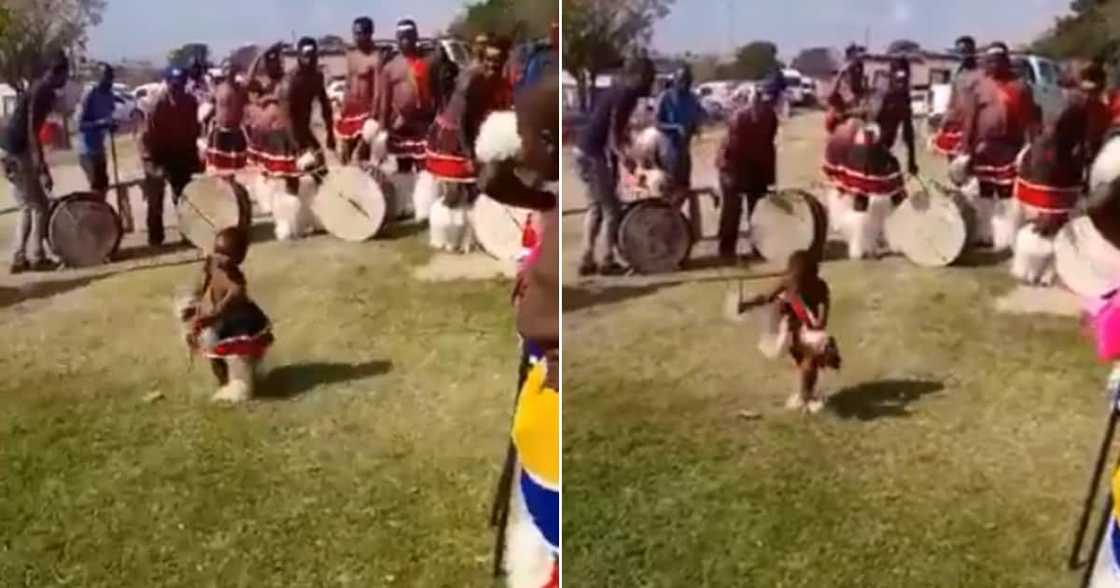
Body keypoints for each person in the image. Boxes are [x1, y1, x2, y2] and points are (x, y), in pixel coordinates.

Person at [476, 68, 559, 588]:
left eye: (524, 133)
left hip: (557, 371)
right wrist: (508, 148)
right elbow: (491, 181)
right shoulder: (552, 196)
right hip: (541, 359)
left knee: (551, 494)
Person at [575, 55, 655, 276]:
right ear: (638, 76)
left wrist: (625, 150)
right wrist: (625, 159)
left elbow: (617, 130)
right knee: (611, 210)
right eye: (648, 77)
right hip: (592, 154)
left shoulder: (616, 90)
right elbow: (612, 132)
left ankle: (587, 257)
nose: (650, 82)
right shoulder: (626, 94)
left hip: (584, 150)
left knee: (596, 208)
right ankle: (606, 260)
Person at [181, 226, 273, 403]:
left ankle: (241, 384)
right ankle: (224, 382)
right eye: (218, 253)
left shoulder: (237, 284)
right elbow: (205, 286)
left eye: (227, 257)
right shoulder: (211, 264)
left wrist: (208, 318)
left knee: (236, 356)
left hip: (238, 322)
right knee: (214, 354)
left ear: (238, 259)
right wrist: (196, 307)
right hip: (218, 318)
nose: (220, 260)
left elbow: (223, 309)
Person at [960, 41, 1039, 246]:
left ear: (1006, 62)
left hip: (1011, 147)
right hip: (984, 148)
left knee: (1006, 194)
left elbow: (1031, 120)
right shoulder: (978, 86)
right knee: (985, 192)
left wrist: (1030, 148)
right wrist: (965, 150)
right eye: (990, 61)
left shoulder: (1020, 87)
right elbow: (970, 120)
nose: (994, 65)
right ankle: (984, 234)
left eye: (998, 61)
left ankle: (1005, 237)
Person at [742, 250, 841, 414]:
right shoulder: (788, 282)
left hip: (810, 330)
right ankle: (806, 395)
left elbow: (824, 309)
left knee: (810, 361)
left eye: (801, 277)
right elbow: (767, 298)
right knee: (805, 362)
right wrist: (747, 304)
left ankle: (806, 396)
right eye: (795, 276)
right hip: (790, 329)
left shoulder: (819, 286)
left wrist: (820, 329)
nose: (797, 281)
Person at [1014, 61, 1109, 230]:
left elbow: (1035, 123)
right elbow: (1090, 144)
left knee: (1037, 217)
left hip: (1036, 160)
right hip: (1057, 165)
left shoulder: (1055, 96)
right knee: (1052, 221)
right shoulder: (1090, 104)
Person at [2, 53, 69, 273]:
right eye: (65, 74)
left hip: (9, 148)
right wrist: (40, 165)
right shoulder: (43, 91)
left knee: (28, 206)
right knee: (39, 206)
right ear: (58, 72)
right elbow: (33, 129)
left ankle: (19, 257)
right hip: (19, 151)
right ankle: (37, 256)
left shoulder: (36, 88)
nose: (66, 80)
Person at [424, 36, 513, 194]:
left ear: (505, 60)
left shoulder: (502, 82)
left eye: (497, 59)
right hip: (454, 138)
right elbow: (461, 120)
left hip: (475, 135)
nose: (492, 64)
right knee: (458, 194)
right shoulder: (472, 79)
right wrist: (469, 156)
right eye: (489, 59)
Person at [140, 67, 202, 247]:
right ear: (166, 84)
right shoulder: (155, 104)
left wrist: (193, 156)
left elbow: (192, 129)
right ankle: (155, 238)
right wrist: (151, 161)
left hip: (180, 152)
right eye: (174, 86)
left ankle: (188, 232)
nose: (178, 90)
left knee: (184, 196)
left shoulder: (190, 102)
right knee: (155, 197)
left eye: (181, 86)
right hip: (156, 153)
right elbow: (145, 135)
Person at [717, 86, 779, 260]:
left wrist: (768, 176)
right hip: (734, 165)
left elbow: (768, 144)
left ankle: (757, 247)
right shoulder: (740, 119)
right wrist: (731, 175)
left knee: (757, 209)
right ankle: (727, 250)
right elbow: (731, 149)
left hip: (753, 165)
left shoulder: (768, 117)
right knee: (732, 209)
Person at [377, 19, 437, 173]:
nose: (406, 41)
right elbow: (385, 102)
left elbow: (439, 94)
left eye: (409, 37)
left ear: (416, 37)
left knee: (426, 169)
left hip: (424, 125)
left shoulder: (428, 62)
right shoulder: (390, 67)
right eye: (402, 37)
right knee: (403, 170)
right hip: (400, 126)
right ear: (397, 39)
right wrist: (383, 131)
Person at [283, 36, 336, 182]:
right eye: (306, 56)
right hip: (286, 134)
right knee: (293, 179)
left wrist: (330, 133)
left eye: (313, 55)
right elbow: (286, 116)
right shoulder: (291, 80)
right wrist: (298, 147)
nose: (311, 59)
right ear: (299, 56)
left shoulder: (317, 76)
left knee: (321, 170)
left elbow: (325, 105)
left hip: (304, 131)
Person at [335, 17, 383, 165]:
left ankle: (364, 185)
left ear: (370, 33)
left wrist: (373, 116)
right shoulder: (351, 55)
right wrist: (342, 107)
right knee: (345, 155)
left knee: (362, 154)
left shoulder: (376, 57)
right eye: (354, 33)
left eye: (360, 33)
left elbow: (378, 89)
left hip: (366, 111)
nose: (356, 37)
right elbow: (349, 82)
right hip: (350, 110)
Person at [654, 64, 705, 204]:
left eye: (688, 81)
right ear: (676, 80)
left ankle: (676, 216)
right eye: (682, 80)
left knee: (684, 187)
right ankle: (666, 216)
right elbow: (656, 122)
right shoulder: (666, 97)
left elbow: (700, 114)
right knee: (670, 185)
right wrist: (675, 127)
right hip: (669, 146)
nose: (685, 84)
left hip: (684, 148)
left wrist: (696, 126)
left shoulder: (691, 98)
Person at [931, 35, 981, 157]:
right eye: (959, 52)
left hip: (978, 127)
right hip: (958, 126)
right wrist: (942, 126)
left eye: (964, 51)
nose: (962, 55)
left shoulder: (982, 74)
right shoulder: (958, 75)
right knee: (955, 165)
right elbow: (952, 103)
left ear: (972, 51)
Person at [77, 62, 118, 197]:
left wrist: (112, 126)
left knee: (104, 185)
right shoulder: (89, 93)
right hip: (87, 150)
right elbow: (79, 124)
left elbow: (110, 116)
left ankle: (100, 215)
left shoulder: (109, 96)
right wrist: (100, 124)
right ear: (99, 77)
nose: (110, 81)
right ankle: (93, 215)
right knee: (96, 186)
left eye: (111, 78)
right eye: (107, 77)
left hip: (99, 149)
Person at [874, 55, 919, 177]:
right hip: (875, 148)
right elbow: (873, 122)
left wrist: (912, 161)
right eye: (898, 79)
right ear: (892, 76)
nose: (901, 83)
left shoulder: (904, 99)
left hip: (888, 148)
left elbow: (908, 133)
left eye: (904, 79)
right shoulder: (884, 96)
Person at [204, 62, 251, 175]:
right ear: (224, 71)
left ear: (236, 72)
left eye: (232, 69)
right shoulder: (218, 89)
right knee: (217, 169)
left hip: (235, 133)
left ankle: (234, 189)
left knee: (236, 169)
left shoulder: (241, 89)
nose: (230, 71)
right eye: (227, 69)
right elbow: (211, 107)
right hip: (219, 132)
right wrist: (206, 124)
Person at [826, 44, 868, 133]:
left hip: (851, 106)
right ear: (851, 55)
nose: (859, 57)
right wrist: (852, 102)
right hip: (840, 107)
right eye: (856, 54)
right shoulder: (845, 69)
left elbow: (861, 86)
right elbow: (843, 88)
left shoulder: (860, 67)